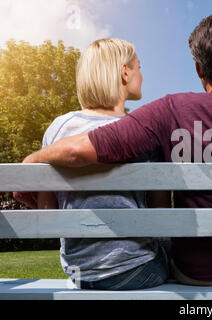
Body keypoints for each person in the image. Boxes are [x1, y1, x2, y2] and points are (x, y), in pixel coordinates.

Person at [16, 15, 212, 286]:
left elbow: (79, 152)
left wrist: (33, 160)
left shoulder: (171, 109)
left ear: (197, 68)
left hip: (192, 271)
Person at [19, 38, 171, 290]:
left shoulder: (58, 129)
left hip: (80, 273)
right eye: (139, 68)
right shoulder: (142, 132)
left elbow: (48, 212)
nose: (142, 75)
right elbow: (161, 217)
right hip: (136, 270)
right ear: (124, 72)